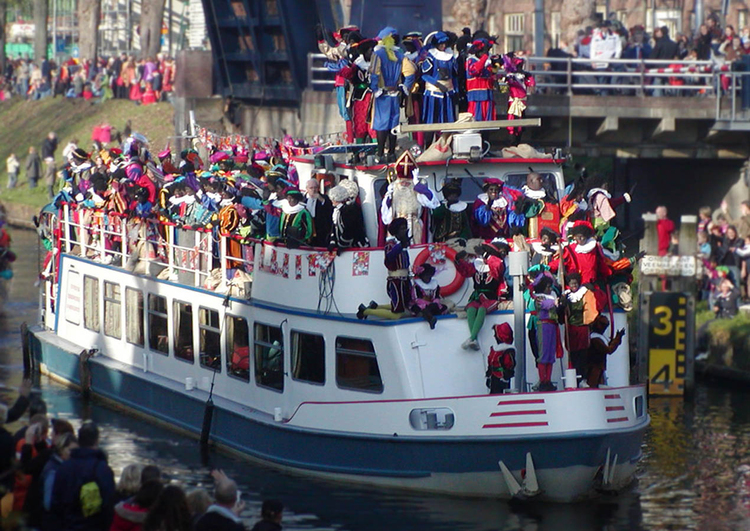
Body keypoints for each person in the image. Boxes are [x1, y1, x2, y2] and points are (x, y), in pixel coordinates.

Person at [51, 421, 116, 531]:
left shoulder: (64, 467)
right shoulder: (103, 469)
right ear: (96, 441)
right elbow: (108, 504)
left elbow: (56, 502)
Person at [369, 26, 416, 162]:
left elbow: (374, 73)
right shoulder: (400, 55)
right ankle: (391, 153)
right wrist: (404, 87)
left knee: (381, 125)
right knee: (393, 124)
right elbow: (411, 71)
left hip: (382, 94)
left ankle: (379, 153)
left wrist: (375, 89)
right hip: (395, 93)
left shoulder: (378, 54)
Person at [454, 240, 510, 350]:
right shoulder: (477, 266)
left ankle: (472, 337)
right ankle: (473, 339)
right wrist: (457, 259)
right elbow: (465, 270)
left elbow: (497, 267)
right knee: (470, 308)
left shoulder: (497, 265)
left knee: (482, 309)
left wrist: (486, 255)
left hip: (491, 297)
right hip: (477, 296)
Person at [358, 217, 413, 320]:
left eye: (405, 228)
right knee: (397, 314)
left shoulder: (402, 245)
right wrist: (401, 245)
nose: (404, 230)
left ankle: (376, 307)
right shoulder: (391, 245)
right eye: (402, 228)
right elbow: (389, 258)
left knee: (404, 306)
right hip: (396, 281)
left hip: (405, 280)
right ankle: (366, 311)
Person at [380, 153, 439, 245]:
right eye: (402, 182)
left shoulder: (417, 189)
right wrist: (389, 198)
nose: (404, 184)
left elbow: (432, 202)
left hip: (414, 225)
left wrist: (418, 185)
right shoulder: (393, 188)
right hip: (397, 225)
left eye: (407, 182)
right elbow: (385, 216)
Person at [562, 272, 598, 382]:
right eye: (571, 283)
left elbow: (591, 310)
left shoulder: (586, 294)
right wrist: (562, 305)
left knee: (582, 354)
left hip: (582, 327)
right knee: (572, 354)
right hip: (571, 329)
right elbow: (561, 313)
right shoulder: (566, 295)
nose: (574, 285)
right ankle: (574, 378)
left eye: (575, 283)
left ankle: (583, 378)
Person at [533, 274, 562, 391]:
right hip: (543, 326)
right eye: (548, 287)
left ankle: (548, 380)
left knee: (550, 355)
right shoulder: (539, 298)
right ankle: (542, 380)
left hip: (552, 326)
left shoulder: (552, 297)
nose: (550, 289)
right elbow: (544, 305)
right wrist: (556, 302)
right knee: (543, 354)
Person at [586, 314, 625, 388]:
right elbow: (609, 350)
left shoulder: (597, 336)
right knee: (593, 386)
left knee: (598, 386)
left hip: (598, 366)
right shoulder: (595, 338)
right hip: (595, 367)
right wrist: (617, 339)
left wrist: (617, 338)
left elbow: (608, 346)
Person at [465, 38, 498, 121]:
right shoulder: (471, 61)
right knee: (476, 121)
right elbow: (474, 71)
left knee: (488, 124)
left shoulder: (488, 62)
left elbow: (491, 75)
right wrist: (484, 58)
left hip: (488, 96)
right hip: (476, 97)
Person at [409, 263, 449, 329]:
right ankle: (430, 318)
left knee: (439, 307)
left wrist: (434, 302)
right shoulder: (417, 286)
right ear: (422, 276)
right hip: (421, 305)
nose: (428, 278)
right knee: (418, 308)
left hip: (431, 304)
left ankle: (429, 316)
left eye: (429, 276)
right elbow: (416, 299)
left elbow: (436, 296)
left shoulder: (434, 285)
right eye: (426, 276)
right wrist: (426, 303)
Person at [486, 322, 516, 394]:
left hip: (502, 380)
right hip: (493, 379)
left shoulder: (507, 351)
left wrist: (503, 373)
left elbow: (508, 366)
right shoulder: (494, 349)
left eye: (496, 334)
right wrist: (489, 374)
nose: (494, 336)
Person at [304, 178, 333, 247]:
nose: (313, 190)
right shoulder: (303, 199)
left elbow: (329, 209)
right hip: (307, 226)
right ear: (307, 189)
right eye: (311, 188)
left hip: (320, 227)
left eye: (315, 188)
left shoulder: (324, 198)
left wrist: (321, 199)